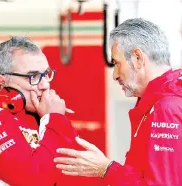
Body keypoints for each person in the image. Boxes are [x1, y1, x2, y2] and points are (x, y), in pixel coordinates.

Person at [54, 18, 182, 185]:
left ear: (137, 58)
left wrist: (106, 169)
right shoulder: (156, 103)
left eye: (116, 63)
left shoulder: (166, 108)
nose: (115, 75)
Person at [0, 36, 101, 186]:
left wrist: (57, 121)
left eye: (46, 74)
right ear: (2, 80)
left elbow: (86, 177)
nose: (44, 85)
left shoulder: (46, 118)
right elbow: (35, 180)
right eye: (33, 76)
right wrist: (55, 118)